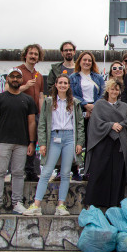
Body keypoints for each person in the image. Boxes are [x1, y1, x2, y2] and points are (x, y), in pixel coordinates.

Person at [23, 74, 84, 216]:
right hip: (54, 137)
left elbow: (80, 123)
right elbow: (42, 123)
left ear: (69, 86)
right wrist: (42, 143)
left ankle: (61, 206)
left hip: (69, 137)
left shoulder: (74, 102)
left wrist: (80, 142)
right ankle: (36, 205)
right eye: (60, 83)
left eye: (65, 83)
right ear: (56, 85)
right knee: (46, 172)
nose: (63, 85)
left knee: (65, 173)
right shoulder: (48, 102)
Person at [0, 68, 37, 215]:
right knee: (0, 172)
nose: (15, 79)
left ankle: (17, 203)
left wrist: (31, 142)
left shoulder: (28, 100)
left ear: (22, 80)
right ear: (7, 79)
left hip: (22, 143)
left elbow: (32, 123)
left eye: (18, 77)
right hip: (3, 141)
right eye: (12, 76)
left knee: (18, 173)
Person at [84, 79, 127, 207]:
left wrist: (119, 125)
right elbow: (95, 123)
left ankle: (114, 204)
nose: (114, 91)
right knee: (99, 172)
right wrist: (110, 125)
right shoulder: (99, 104)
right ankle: (95, 204)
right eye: (112, 89)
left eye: (117, 89)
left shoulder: (125, 106)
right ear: (107, 90)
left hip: (119, 143)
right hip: (103, 142)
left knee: (117, 175)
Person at [47, 41, 81, 181]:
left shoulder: (79, 68)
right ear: (62, 53)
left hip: (76, 107)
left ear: (74, 52)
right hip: (59, 107)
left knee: (76, 140)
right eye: (65, 50)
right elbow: (49, 87)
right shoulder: (56, 69)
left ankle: (76, 169)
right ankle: (60, 170)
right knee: (58, 140)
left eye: (70, 50)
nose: (68, 52)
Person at [69, 51, 105, 171]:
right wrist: (86, 105)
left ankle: (89, 169)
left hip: (95, 111)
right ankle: (75, 169)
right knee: (78, 140)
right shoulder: (73, 78)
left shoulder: (98, 77)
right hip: (79, 110)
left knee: (92, 141)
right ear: (79, 61)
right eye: (84, 60)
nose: (87, 62)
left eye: (89, 60)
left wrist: (93, 106)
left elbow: (103, 93)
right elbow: (72, 94)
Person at [17, 43, 45, 182]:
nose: (33, 56)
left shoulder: (39, 75)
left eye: (36, 54)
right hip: (20, 113)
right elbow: (8, 89)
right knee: (20, 142)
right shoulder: (17, 71)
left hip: (35, 114)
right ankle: (18, 171)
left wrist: (42, 113)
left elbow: (40, 96)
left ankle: (30, 171)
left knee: (32, 142)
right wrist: (25, 86)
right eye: (31, 53)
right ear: (25, 55)